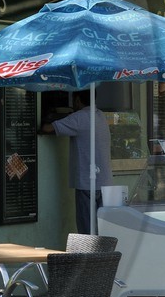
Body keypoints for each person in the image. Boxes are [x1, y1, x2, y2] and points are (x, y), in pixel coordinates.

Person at [42, 90, 112, 235]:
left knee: (87, 229)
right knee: (102, 230)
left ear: (78, 100)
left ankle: (89, 256)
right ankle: (103, 256)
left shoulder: (79, 117)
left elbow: (47, 128)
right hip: (104, 182)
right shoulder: (100, 116)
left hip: (87, 182)